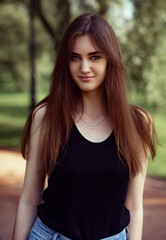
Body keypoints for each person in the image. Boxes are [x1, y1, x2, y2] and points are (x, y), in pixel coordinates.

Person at [12, 13, 157, 240]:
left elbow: (135, 206)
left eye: (94, 57)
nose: (84, 67)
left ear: (110, 59)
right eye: (75, 57)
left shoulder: (138, 123)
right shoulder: (47, 116)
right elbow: (29, 199)